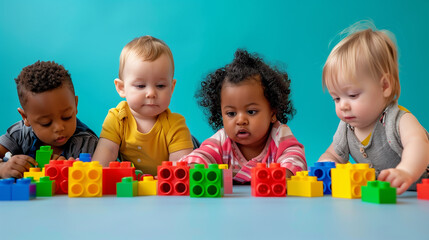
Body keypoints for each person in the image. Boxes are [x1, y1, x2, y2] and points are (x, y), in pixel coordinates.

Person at [318, 21, 429, 195]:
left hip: (421, 189)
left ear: (385, 86)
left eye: (353, 95)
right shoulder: (347, 128)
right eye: (336, 98)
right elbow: (333, 155)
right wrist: (326, 165)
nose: (343, 106)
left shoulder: (398, 120)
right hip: (390, 197)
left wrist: (406, 171)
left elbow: (419, 144)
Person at [179, 49, 306, 183]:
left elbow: (294, 156)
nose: (240, 120)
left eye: (251, 112)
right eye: (231, 113)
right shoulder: (222, 140)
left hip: (269, 202)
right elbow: (203, 154)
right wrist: (191, 167)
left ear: (272, 113)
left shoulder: (279, 135)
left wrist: (286, 172)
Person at [92, 36, 194, 176]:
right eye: (140, 86)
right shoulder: (117, 118)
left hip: (164, 187)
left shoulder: (175, 125)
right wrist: (95, 175)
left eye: (160, 85)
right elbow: (106, 153)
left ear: (171, 88)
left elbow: (180, 166)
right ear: (121, 88)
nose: (151, 93)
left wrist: (167, 178)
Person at [0, 61, 98, 178]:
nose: (59, 128)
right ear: (25, 118)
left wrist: (70, 172)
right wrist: (2, 168)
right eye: (46, 123)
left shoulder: (86, 143)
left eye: (66, 117)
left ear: (75, 105)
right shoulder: (19, 134)